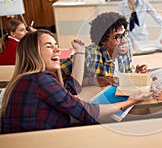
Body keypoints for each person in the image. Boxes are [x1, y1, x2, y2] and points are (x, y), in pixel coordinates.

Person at [1, 30, 146, 133]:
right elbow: (87, 113)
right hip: (39, 145)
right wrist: (129, 102)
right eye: (49, 46)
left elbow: (72, 87)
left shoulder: (33, 78)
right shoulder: (41, 80)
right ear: (33, 53)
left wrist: (80, 51)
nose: (57, 50)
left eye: (56, 45)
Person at [60, 12, 147, 87]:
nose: (124, 40)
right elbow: (54, 76)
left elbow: (127, 74)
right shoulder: (89, 54)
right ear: (103, 40)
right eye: (118, 37)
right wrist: (92, 81)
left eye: (124, 34)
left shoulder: (125, 50)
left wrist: (136, 73)